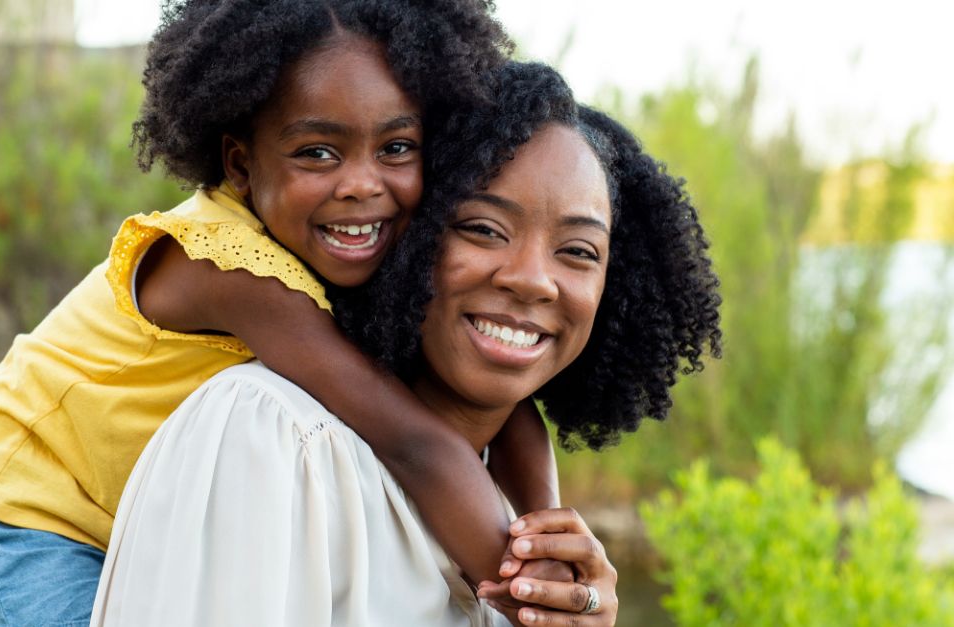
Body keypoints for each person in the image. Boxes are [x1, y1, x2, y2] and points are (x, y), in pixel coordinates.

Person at [0, 2, 559, 625]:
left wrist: (553, 533)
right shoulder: (232, 271)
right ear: (240, 166)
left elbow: (503, 410)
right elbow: (411, 439)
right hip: (33, 503)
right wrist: (535, 596)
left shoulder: (344, 240)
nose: (362, 185)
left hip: (140, 503)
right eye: (318, 153)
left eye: (397, 147)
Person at [90, 61, 723, 626]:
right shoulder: (275, 437)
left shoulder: (509, 500)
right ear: (405, 234)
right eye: (483, 228)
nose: (532, 278)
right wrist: (528, 584)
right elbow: (416, 445)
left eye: (578, 251)